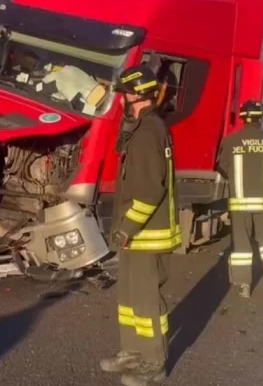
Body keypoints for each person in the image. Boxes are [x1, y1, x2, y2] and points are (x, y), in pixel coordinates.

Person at [100, 64, 181, 386]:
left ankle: (153, 363)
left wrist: (126, 229)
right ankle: (131, 352)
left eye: (124, 93)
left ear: (135, 94)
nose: (121, 100)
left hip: (147, 233)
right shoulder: (143, 127)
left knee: (146, 301)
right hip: (137, 235)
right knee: (129, 297)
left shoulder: (148, 132)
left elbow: (150, 190)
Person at [217, 100, 263, 298]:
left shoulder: (231, 140)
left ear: (243, 118)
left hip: (240, 202)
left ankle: (244, 285)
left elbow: (222, 166)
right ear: (260, 118)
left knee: (242, 244)